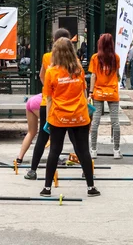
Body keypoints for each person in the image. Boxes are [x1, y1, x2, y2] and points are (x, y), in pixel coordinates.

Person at [41, 37, 99, 197]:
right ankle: (90, 187)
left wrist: (48, 120)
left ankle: (47, 188)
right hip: (79, 115)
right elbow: (84, 92)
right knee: (83, 151)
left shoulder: (51, 72)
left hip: (59, 116)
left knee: (54, 151)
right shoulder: (78, 69)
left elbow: (49, 98)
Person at [24, 28, 79, 180]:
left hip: (48, 102)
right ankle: (85, 169)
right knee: (75, 136)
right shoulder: (75, 60)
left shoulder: (47, 57)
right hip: (69, 103)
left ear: (54, 41)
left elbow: (41, 75)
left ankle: (32, 170)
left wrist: (50, 88)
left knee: (43, 136)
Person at [89, 33, 122, 159]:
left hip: (98, 92)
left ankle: (93, 150)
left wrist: (91, 92)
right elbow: (117, 74)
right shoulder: (116, 58)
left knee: (96, 121)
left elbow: (93, 75)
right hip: (112, 92)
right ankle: (116, 150)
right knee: (115, 122)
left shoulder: (95, 58)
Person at [16, 93, 42, 164]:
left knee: (31, 132)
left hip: (31, 101)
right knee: (53, 131)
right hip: (40, 103)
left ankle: (19, 158)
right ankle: (55, 158)